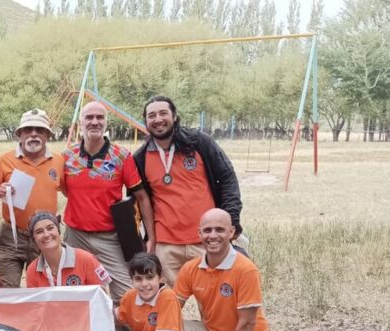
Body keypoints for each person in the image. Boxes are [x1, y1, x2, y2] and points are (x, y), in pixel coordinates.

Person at [133, 95, 243, 285]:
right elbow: (139, 201)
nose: (158, 119)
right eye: (151, 115)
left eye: (163, 113)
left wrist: (231, 221)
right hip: (165, 246)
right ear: (146, 121)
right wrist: (148, 239)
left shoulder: (199, 142)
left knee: (215, 305)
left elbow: (228, 179)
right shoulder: (140, 158)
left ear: (174, 116)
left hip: (207, 240)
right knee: (166, 306)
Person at [62, 101, 155, 303]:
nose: (94, 122)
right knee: (72, 292)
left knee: (127, 295)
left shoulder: (121, 156)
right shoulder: (67, 157)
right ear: (80, 123)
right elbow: (61, 188)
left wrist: (151, 238)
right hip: (75, 236)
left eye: (100, 118)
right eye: (89, 118)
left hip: (111, 237)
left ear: (106, 123)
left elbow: (142, 196)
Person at [0, 109, 65, 287]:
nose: (34, 134)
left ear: (48, 135)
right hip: (11, 237)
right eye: (28, 129)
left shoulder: (59, 162)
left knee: (43, 292)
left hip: (45, 237)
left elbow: (69, 192)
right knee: (6, 290)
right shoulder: (3, 160)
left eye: (40, 130)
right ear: (19, 134)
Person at [24, 211, 112, 289]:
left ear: (58, 231)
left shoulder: (85, 259)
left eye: (50, 228)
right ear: (33, 239)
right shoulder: (32, 270)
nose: (46, 234)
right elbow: (35, 306)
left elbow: (102, 295)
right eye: (39, 232)